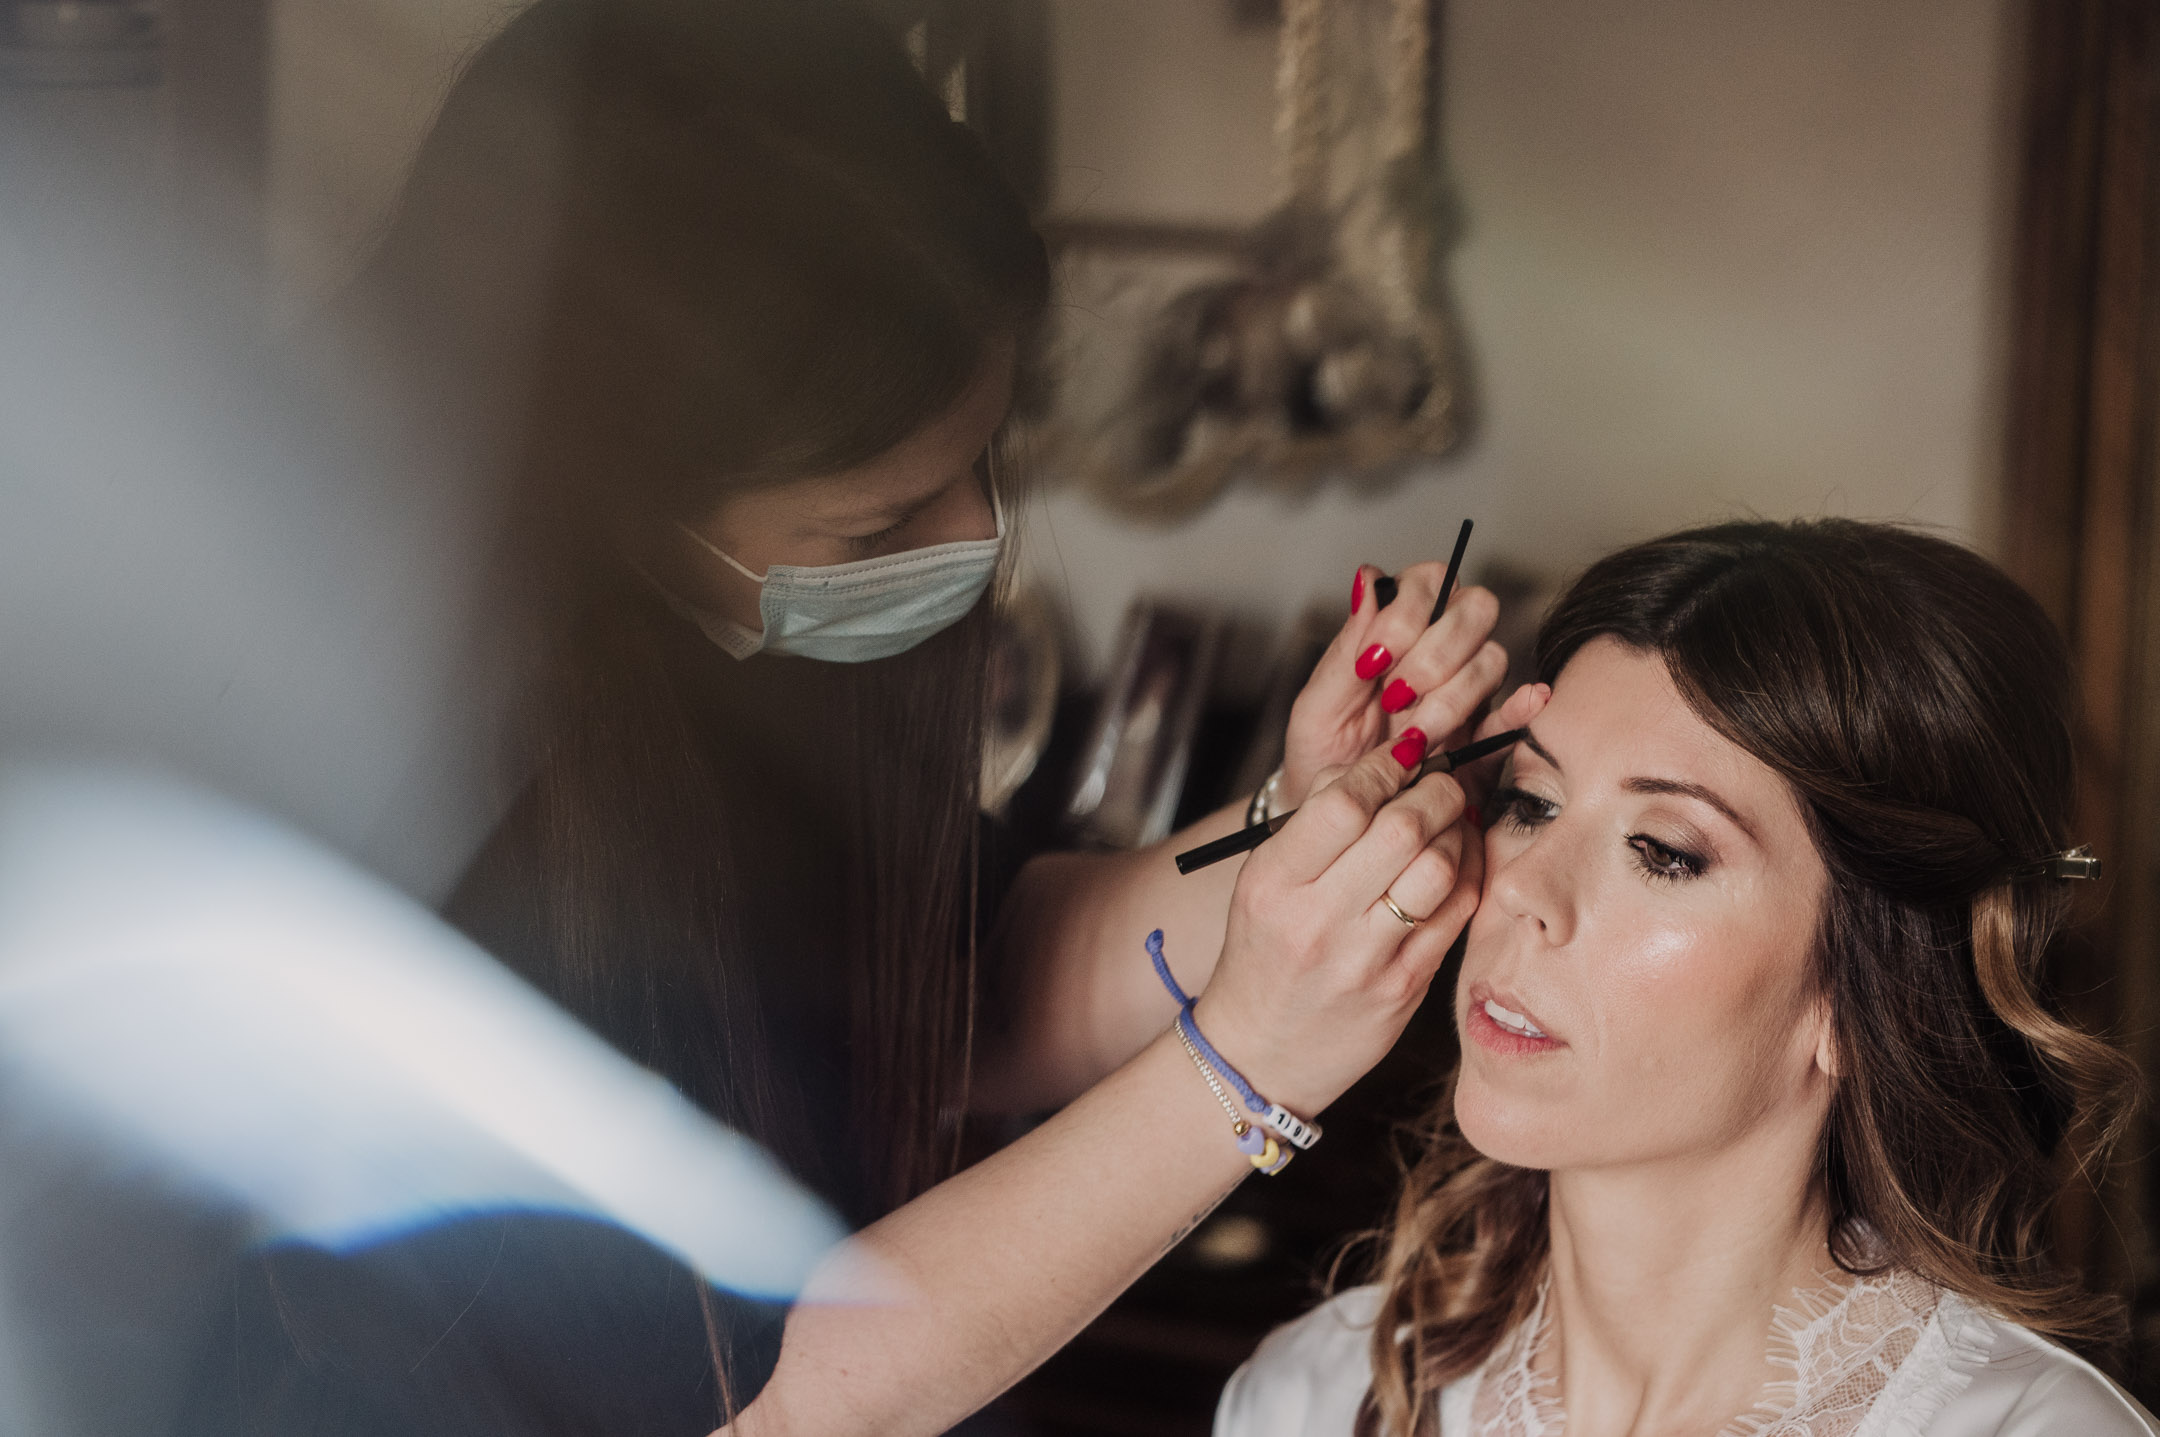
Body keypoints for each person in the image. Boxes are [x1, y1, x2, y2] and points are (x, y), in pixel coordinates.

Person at [176, 2, 1543, 1433]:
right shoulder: (415, 825)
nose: (973, 545)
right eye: (878, 526)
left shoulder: (718, 668)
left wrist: (1295, 829)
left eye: (984, 464)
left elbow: (959, 976)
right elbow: (763, 1401)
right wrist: (1249, 1069)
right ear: (609, 495)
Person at [1214, 518, 2157, 1437]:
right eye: (1531, 802)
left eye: (1663, 851)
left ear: (1857, 995)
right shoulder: (1315, 1395)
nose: (1525, 889)